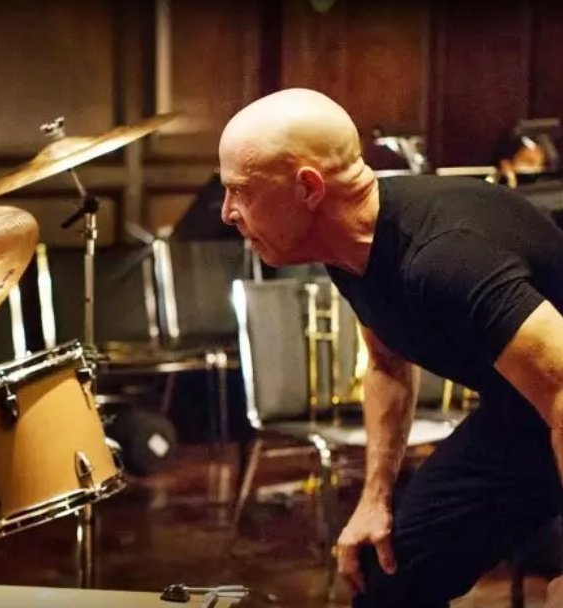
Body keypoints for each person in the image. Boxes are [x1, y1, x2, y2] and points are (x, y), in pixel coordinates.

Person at [218, 88, 563, 607]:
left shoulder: (444, 257)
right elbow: (385, 363)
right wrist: (374, 500)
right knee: (387, 577)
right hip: (525, 414)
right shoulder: (348, 246)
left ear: (308, 188)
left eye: (240, 191)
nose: (227, 212)